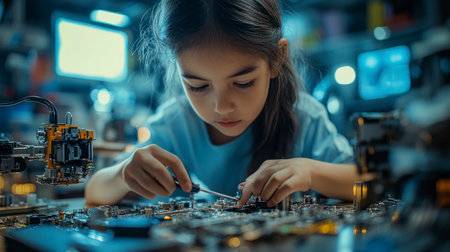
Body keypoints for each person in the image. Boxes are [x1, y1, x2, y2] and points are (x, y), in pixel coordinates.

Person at [85, 0, 368, 208]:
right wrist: (124, 173)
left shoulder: (303, 116)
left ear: (277, 59)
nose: (221, 107)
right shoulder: (175, 122)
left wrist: (310, 171)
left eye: (243, 82)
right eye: (198, 86)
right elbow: (95, 192)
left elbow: (366, 180)